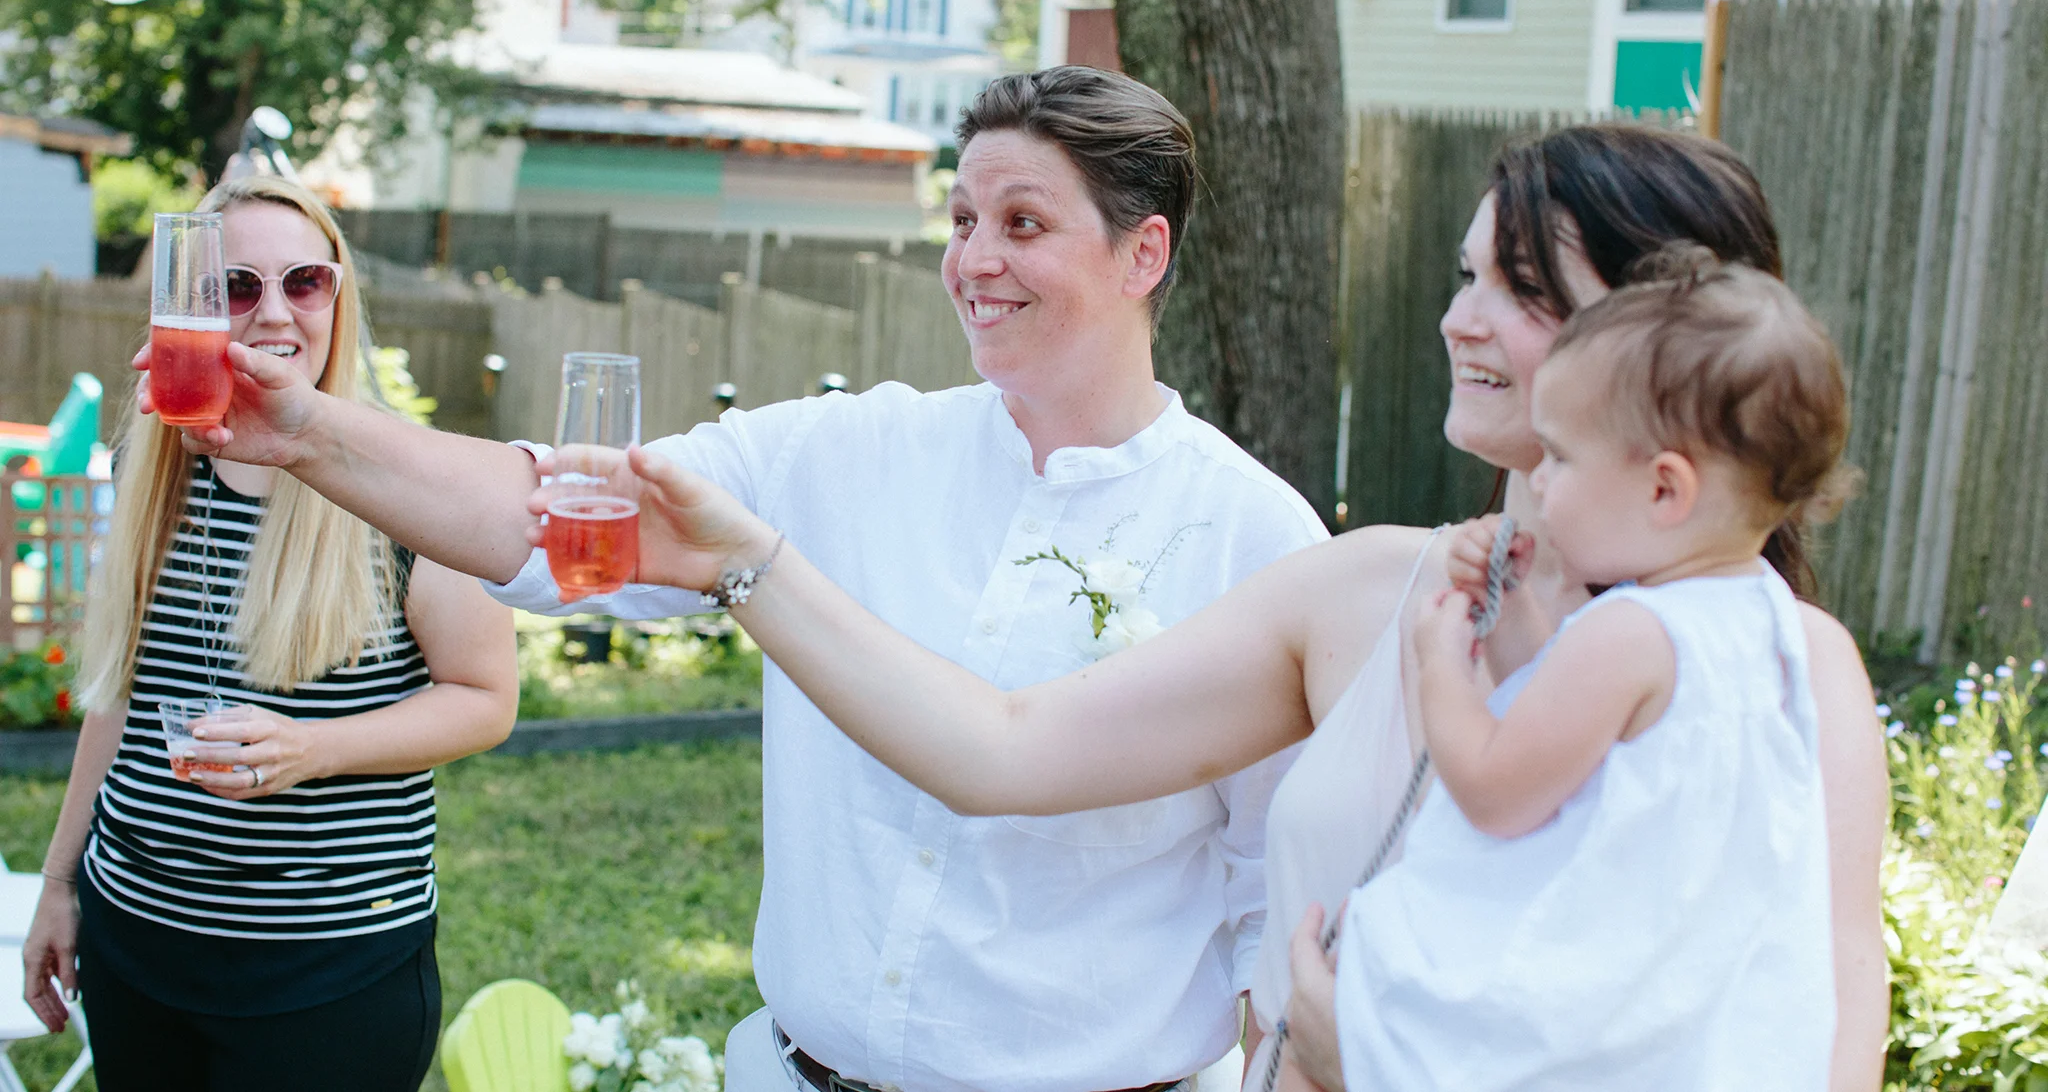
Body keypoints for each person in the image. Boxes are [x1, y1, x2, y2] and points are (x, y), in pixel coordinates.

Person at [539, 123, 1888, 1092]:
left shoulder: (1775, 664)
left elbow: (1818, 1032)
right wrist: (744, 560)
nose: (1458, 320)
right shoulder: (1369, 584)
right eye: (1467, 274)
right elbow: (1004, 748)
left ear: (1658, 343)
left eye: (1518, 290)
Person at [154, 68, 1328, 1092]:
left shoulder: (1253, 539)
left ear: (1144, 252)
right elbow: (539, 522)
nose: (972, 260)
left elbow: (1273, 913)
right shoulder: (845, 448)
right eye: (963, 216)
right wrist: (304, 434)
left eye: (1021, 224)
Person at [20, 174, 517, 1092]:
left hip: (329, 962)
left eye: (304, 281)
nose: (273, 312)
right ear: (194, 303)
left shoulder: (408, 481)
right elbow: (120, 692)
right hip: (137, 936)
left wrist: (313, 747)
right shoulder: (149, 462)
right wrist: (60, 882)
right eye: (236, 285)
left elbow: (486, 699)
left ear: (338, 295)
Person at [1311, 256, 1847, 1088]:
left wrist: (1439, 663)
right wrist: (1517, 605)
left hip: (1569, 1014)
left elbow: (1495, 789)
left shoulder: (1634, 632)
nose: (1540, 480)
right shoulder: (1771, 627)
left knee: (1344, 969)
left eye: (1559, 458)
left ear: (1665, 488)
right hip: (1687, 1023)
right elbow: (1591, 755)